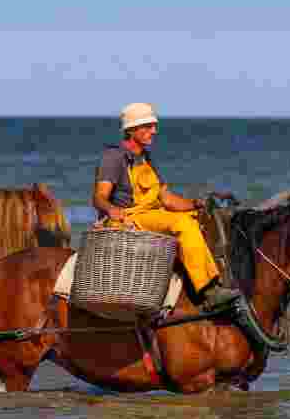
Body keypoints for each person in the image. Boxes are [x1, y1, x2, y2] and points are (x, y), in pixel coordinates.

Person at [92, 102, 242, 310]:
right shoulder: (113, 157)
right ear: (132, 129)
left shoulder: (146, 159)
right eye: (148, 126)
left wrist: (195, 204)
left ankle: (215, 277)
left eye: (154, 125)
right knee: (182, 223)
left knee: (195, 218)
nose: (154, 131)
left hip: (152, 215)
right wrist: (110, 210)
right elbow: (99, 197)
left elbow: (168, 199)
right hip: (131, 218)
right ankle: (209, 290)